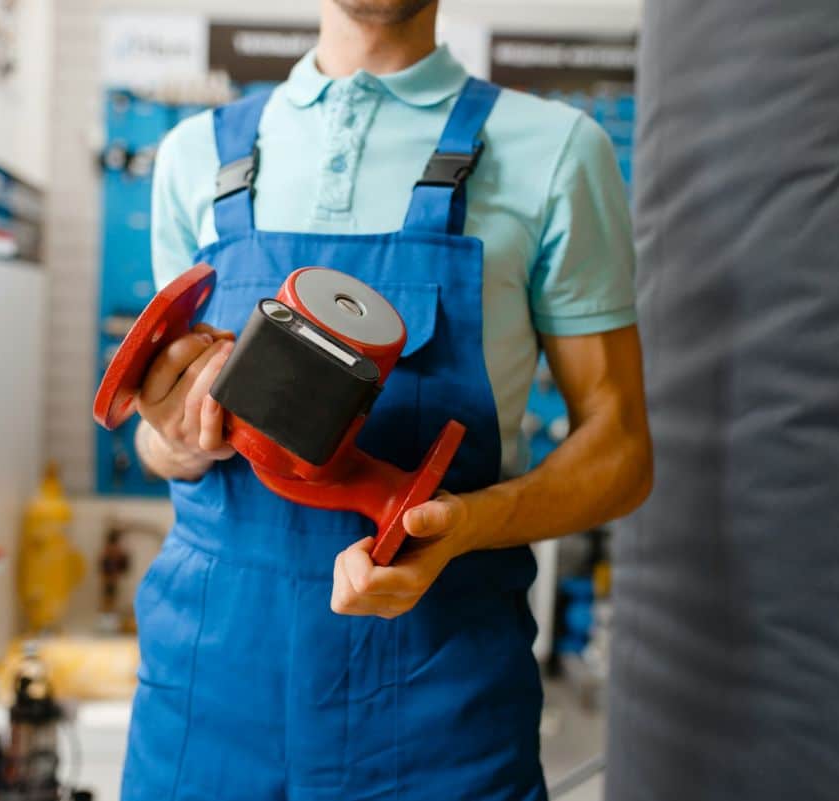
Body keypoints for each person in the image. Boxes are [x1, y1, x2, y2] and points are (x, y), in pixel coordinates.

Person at [124, 1, 652, 798]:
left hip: (439, 704)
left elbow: (621, 450)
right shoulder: (194, 156)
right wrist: (178, 437)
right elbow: (154, 438)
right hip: (208, 687)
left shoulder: (556, 152)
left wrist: (466, 523)